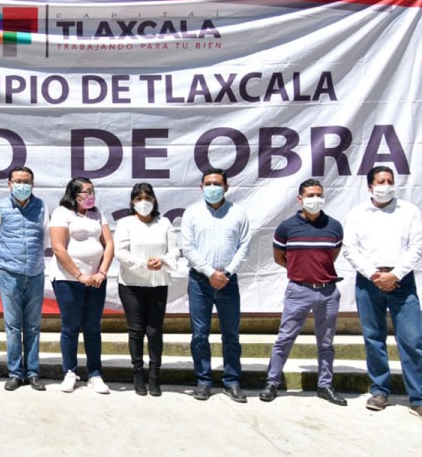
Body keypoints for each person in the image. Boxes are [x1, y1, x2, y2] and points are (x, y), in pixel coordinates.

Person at [342, 165, 422, 417]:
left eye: (389, 180)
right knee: (374, 338)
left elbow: (417, 246)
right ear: (369, 186)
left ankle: (417, 396)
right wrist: (374, 275)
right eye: (380, 181)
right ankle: (379, 391)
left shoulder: (408, 211)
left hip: (402, 281)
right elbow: (350, 248)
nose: (386, 185)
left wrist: (395, 274)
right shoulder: (357, 214)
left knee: (412, 339)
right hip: (369, 282)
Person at [259, 179, 347, 406]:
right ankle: (271, 383)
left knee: (326, 343)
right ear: (300, 199)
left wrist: (317, 273)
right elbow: (279, 258)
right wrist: (301, 272)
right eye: (310, 195)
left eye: (318, 194)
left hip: (328, 292)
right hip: (298, 290)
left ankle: (325, 385)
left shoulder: (334, 227)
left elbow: (331, 256)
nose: (314, 199)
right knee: (285, 338)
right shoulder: (287, 227)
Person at [181, 168, 250, 403]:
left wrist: (226, 273)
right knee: (200, 334)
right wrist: (211, 273)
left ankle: (232, 381)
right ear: (201, 187)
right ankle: (203, 381)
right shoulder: (192, 214)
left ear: (226, 187)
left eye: (217, 183)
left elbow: (244, 247)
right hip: (200, 282)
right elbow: (188, 248)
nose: (212, 187)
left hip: (228, 282)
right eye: (208, 183)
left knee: (230, 334)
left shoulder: (238, 213)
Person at [49, 177, 114, 394]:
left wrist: (101, 272)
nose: (90, 196)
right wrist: (79, 275)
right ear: (74, 194)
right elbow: (58, 248)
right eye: (85, 192)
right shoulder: (62, 213)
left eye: (92, 191)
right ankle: (70, 372)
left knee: (93, 327)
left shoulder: (98, 213)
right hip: (69, 280)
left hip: (96, 280)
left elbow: (109, 244)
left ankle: (95, 374)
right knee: (70, 327)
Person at [114, 182, 179, 397]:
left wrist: (163, 261)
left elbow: (175, 250)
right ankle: (138, 374)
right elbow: (121, 253)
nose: (144, 203)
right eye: (139, 199)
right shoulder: (125, 223)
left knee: (154, 331)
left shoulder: (165, 223)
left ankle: (154, 375)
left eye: (148, 198)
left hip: (158, 282)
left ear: (154, 200)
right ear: (132, 202)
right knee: (136, 330)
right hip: (131, 284)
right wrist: (143, 264)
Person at [0, 166, 49, 392]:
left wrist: (31, 260)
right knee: (13, 326)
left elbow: (44, 239)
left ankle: (32, 372)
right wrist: (10, 259)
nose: (22, 185)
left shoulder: (42, 206)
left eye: (26, 181)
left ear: (32, 185)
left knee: (33, 326)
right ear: (9, 184)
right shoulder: (0, 207)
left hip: (35, 273)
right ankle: (15, 373)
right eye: (18, 181)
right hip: (10, 274)